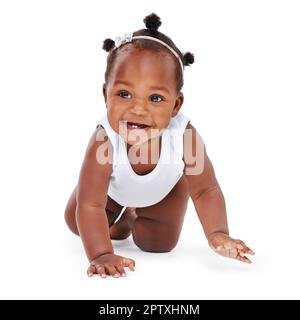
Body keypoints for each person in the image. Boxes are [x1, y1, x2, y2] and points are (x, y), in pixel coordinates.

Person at [64, 13, 255, 278]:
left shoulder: (185, 138)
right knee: (78, 221)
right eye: (124, 94)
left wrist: (217, 234)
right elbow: (90, 205)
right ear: (105, 95)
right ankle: (114, 208)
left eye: (155, 98)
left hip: (164, 194)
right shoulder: (103, 142)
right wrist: (101, 254)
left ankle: (132, 218)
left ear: (176, 105)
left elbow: (206, 190)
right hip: (107, 194)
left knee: (157, 244)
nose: (138, 109)